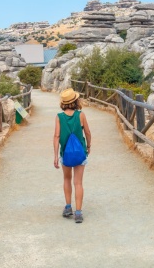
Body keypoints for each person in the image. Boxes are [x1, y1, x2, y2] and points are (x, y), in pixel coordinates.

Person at [53, 88, 91, 223]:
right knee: (78, 182)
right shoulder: (81, 115)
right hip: (80, 152)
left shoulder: (59, 117)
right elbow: (87, 133)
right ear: (76, 100)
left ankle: (68, 207)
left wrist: (56, 156)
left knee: (67, 179)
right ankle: (79, 213)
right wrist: (88, 146)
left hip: (66, 153)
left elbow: (57, 136)